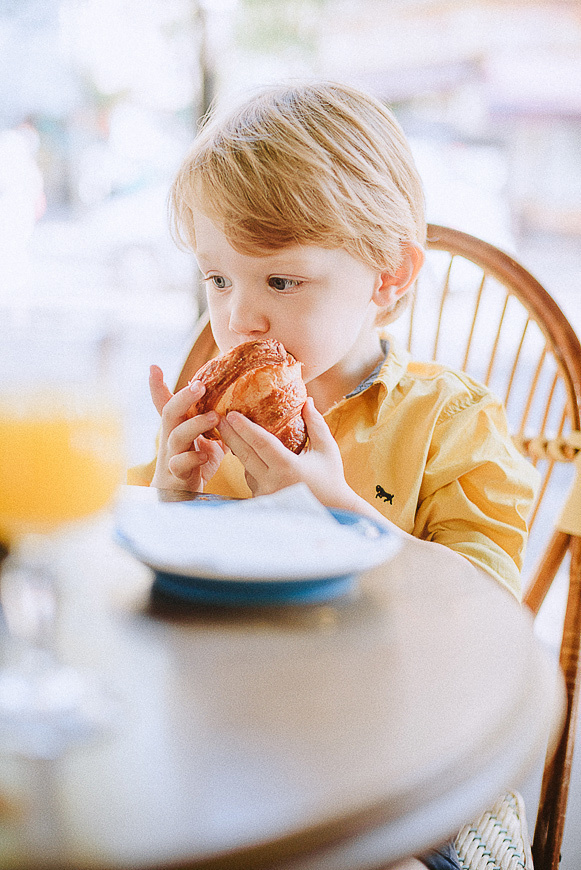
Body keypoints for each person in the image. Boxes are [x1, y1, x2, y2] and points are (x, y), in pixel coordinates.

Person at [128, 81, 538, 870]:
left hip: (415, 766)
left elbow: (484, 626)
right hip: (242, 738)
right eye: (218, 279)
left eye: (280, 281)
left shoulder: (450, 425)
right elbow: (155, 609)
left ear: (388, 276)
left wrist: (337, 511)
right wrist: (171, 494)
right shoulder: (219, 420)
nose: (239, 318)